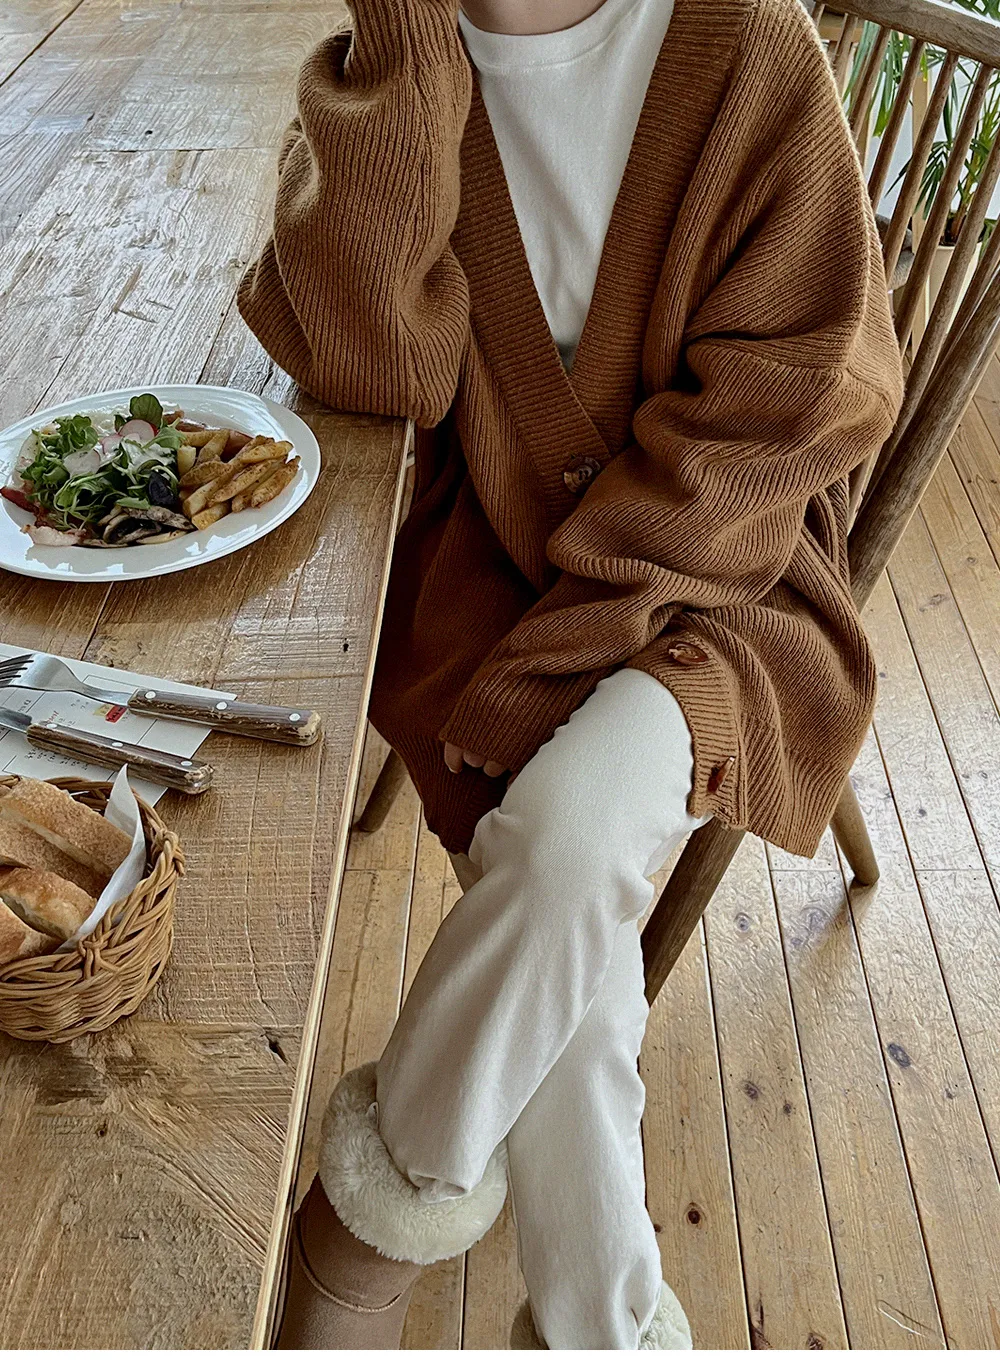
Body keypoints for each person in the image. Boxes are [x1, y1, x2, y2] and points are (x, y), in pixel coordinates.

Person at [239, 0, 905, 1347]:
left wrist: (591, 621)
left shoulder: (745, 45)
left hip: (726, 576)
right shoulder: (386, 75)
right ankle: (608, 1327)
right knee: (569, 944)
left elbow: (804, 394)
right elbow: (370, 374)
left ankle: (352, 1250)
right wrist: (404, 55)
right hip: (491, 577)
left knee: (564, 844)